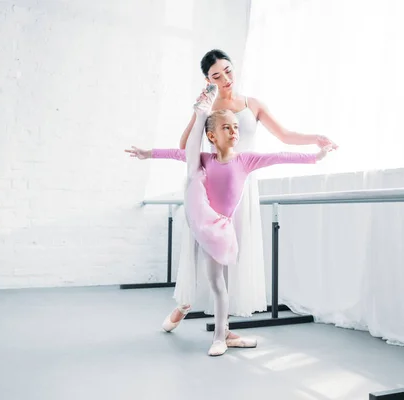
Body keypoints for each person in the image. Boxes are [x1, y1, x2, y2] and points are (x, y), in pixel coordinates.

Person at [126, 85, 333, 355]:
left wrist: (315, 157)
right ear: (211, 135)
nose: (235, 132)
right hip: (197, 222)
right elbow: (177, 153)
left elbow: (279, 157)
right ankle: (191, 311)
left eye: (236, 127)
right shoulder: (202, 159)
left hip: (219, 230)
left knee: (217, 284)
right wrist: (148, 154)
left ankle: (219, 336)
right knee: (194, 271)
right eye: (227, 128)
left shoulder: (245, 161)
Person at [164, 50, 338, 344]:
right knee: (198, 248)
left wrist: (315, 139)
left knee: (231, 255)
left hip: (242, 183)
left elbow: (284, 136)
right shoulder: (209, 106)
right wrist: (201, 113)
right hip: (211, 183)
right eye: (216, 76)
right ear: (208, 80)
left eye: (228, 71)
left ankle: (225, 327)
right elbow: (184, 145)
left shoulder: (252, 104)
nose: (225, 79)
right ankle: (184, 302)